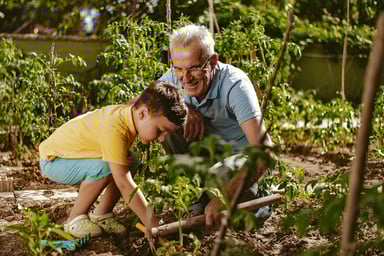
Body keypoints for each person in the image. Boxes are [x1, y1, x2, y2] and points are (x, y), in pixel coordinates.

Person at [39, 80, 187, 238]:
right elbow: (124, 184)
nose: (162, 138)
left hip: (69, 157)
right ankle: (74, 219)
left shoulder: (127, 116)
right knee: (107, 167)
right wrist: (154, 225)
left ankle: (101, 214)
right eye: (160, 130)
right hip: (54, 161)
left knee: (131, 162)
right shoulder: (116, 128)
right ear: (143, 113)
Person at [160, 24, 274, 226]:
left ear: (212, 61)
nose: (185, 79)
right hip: (208, 163)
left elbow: (265, 153)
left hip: (241, 164)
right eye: (178, 69)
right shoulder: (174, 76)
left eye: (194, 68)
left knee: (233, 207)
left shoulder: (235, 85)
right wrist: (182, 108)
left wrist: (224, 197)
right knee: (168, 121)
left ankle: (256, 201)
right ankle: (199, 199)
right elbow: (139, 106)